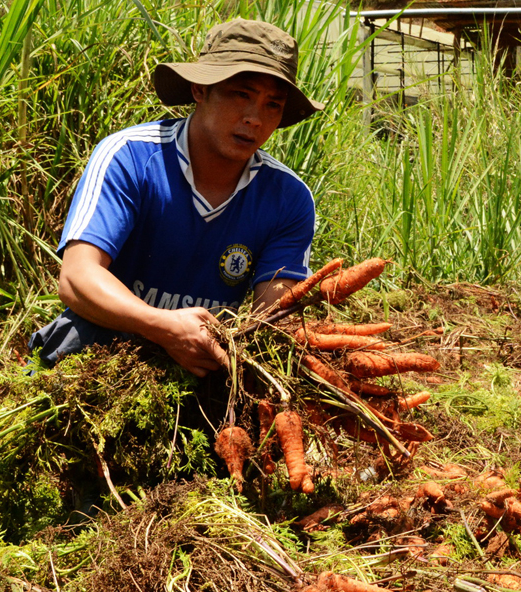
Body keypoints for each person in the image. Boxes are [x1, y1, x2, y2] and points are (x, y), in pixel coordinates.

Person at [29, 18, 323, 377]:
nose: (255, 119)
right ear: (200, 89)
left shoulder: (288, 198)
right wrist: (161, 325)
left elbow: (271, 317)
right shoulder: (130, 158)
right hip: (99, 354)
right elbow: (77, 278)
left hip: (203, 362)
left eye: (272, 105)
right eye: (241, 94)